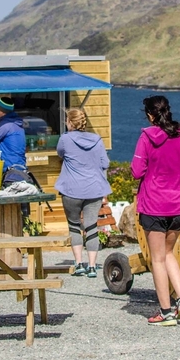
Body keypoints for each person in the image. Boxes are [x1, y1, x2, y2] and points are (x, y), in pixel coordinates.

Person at [130, 95, 180, 326]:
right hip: (179, 205)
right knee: (169, 253)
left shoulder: (146, 137)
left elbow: (137, 171)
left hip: (154, 205)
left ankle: (166, 312)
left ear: (150, 114)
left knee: (157, 259)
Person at [55, 108, 111, 278]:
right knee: (91, 227)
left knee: (74, 226)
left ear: (71, 123)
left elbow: (60, 154)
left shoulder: (65, 139)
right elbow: (105, 163)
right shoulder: (97, 140)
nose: (65, 122)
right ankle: (92, 266)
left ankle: (79, 263)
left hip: (71, 189)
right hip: (94, 189)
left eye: (66, 120)